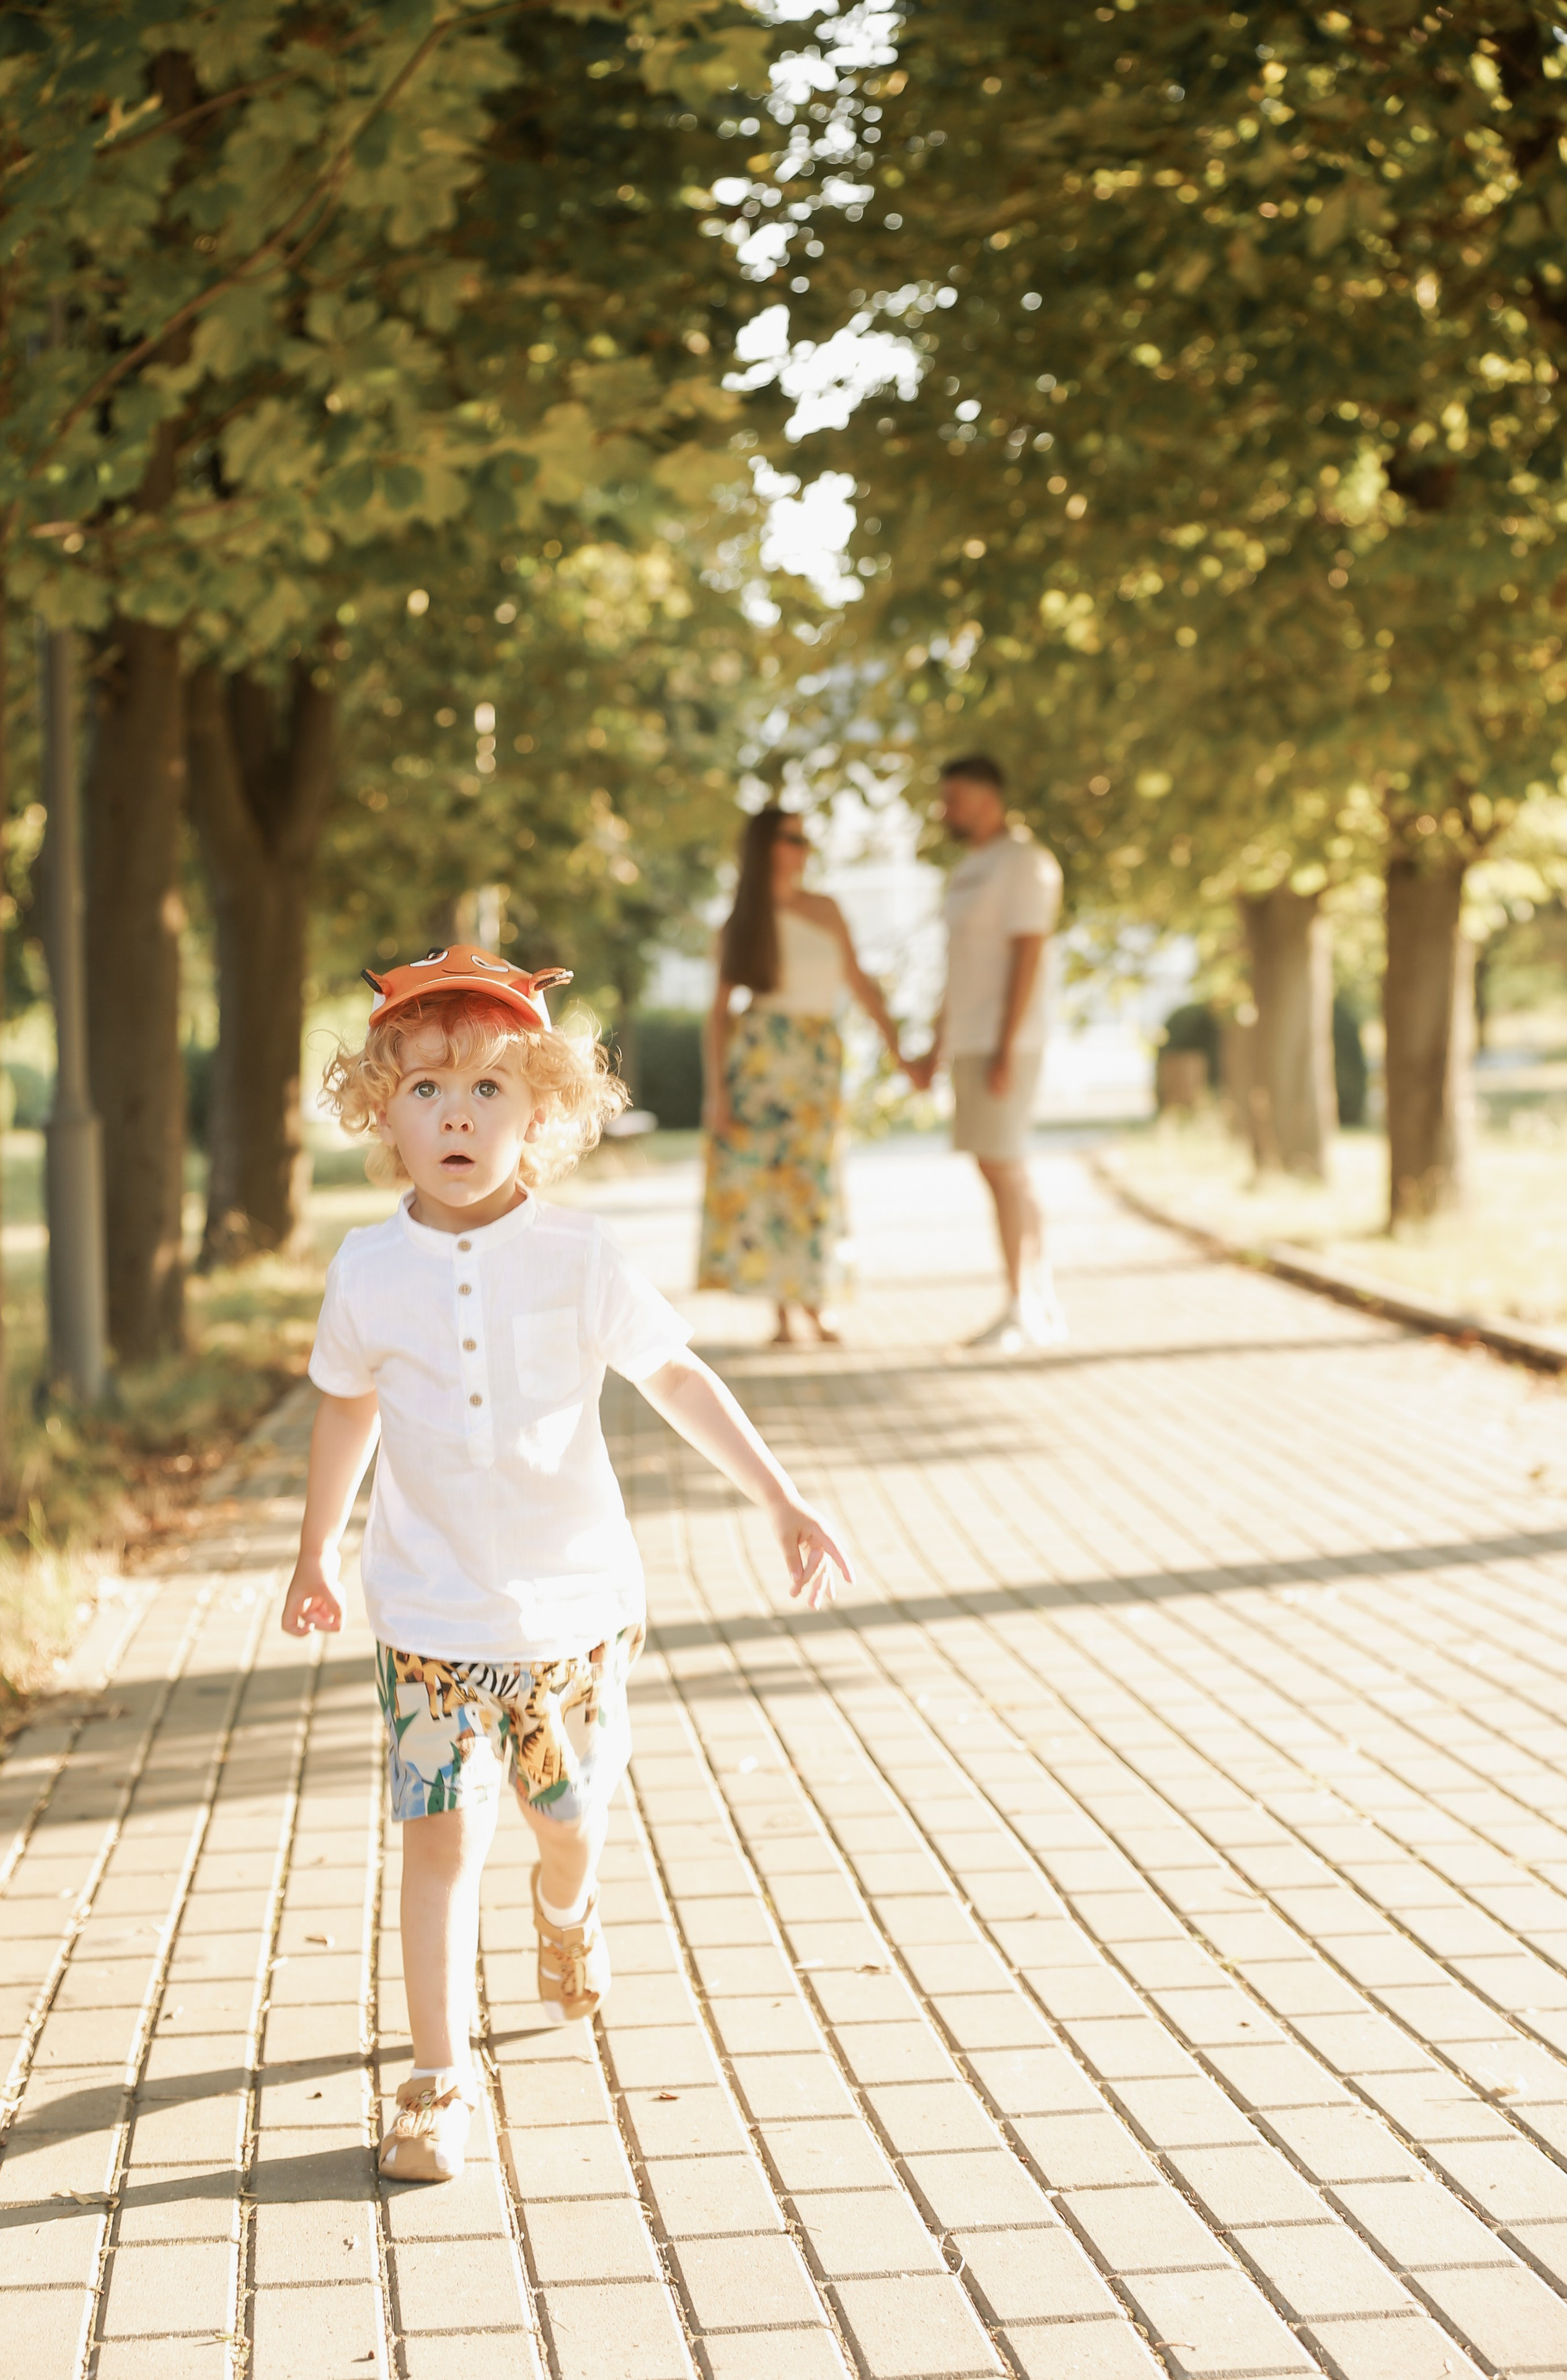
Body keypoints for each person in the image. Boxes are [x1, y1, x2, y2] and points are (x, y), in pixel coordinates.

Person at [281, 941, 850, 2185]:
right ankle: (435, 2081)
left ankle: (566, 1909)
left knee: (567, 1823)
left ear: (541, 1111)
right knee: (436, 1842)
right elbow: (344, 1410)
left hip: (572, 1615)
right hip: (428, 1618)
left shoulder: (579, 1257)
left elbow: (676, 1376)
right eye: (428, 1089)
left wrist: (783, 1497)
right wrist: (315, 1548)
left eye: (490, 1090)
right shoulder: (367, 1271)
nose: (456, 1115)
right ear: (384, 1110)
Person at [699, 804, 905, 1344]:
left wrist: (903, 1054)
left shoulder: (827, 909)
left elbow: (859, 984)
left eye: (804, 838)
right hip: (762, 1061)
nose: (802, 847)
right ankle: (783, 1313)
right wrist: (715, 1091)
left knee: (813, 1180)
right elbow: (718, 1012)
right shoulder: (742, 923)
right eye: (791, 837)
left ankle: (815, 1301)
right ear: (766, 847)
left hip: (815, 1061)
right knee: (766, 1181)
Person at [907, 757, 1066, 1351]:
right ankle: (1037, 1300)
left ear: (988, 798)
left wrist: (1005, 1045)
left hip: (1008, 1041)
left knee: (1005, 1165)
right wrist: (936, 1045)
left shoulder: (1025, 864)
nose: (945, 810)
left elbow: (1029, 955)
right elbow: (958, 969)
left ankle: (1023, 1304)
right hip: (972, 1040)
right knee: (1000, 1166)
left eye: (955, 799)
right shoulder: (969, 869)